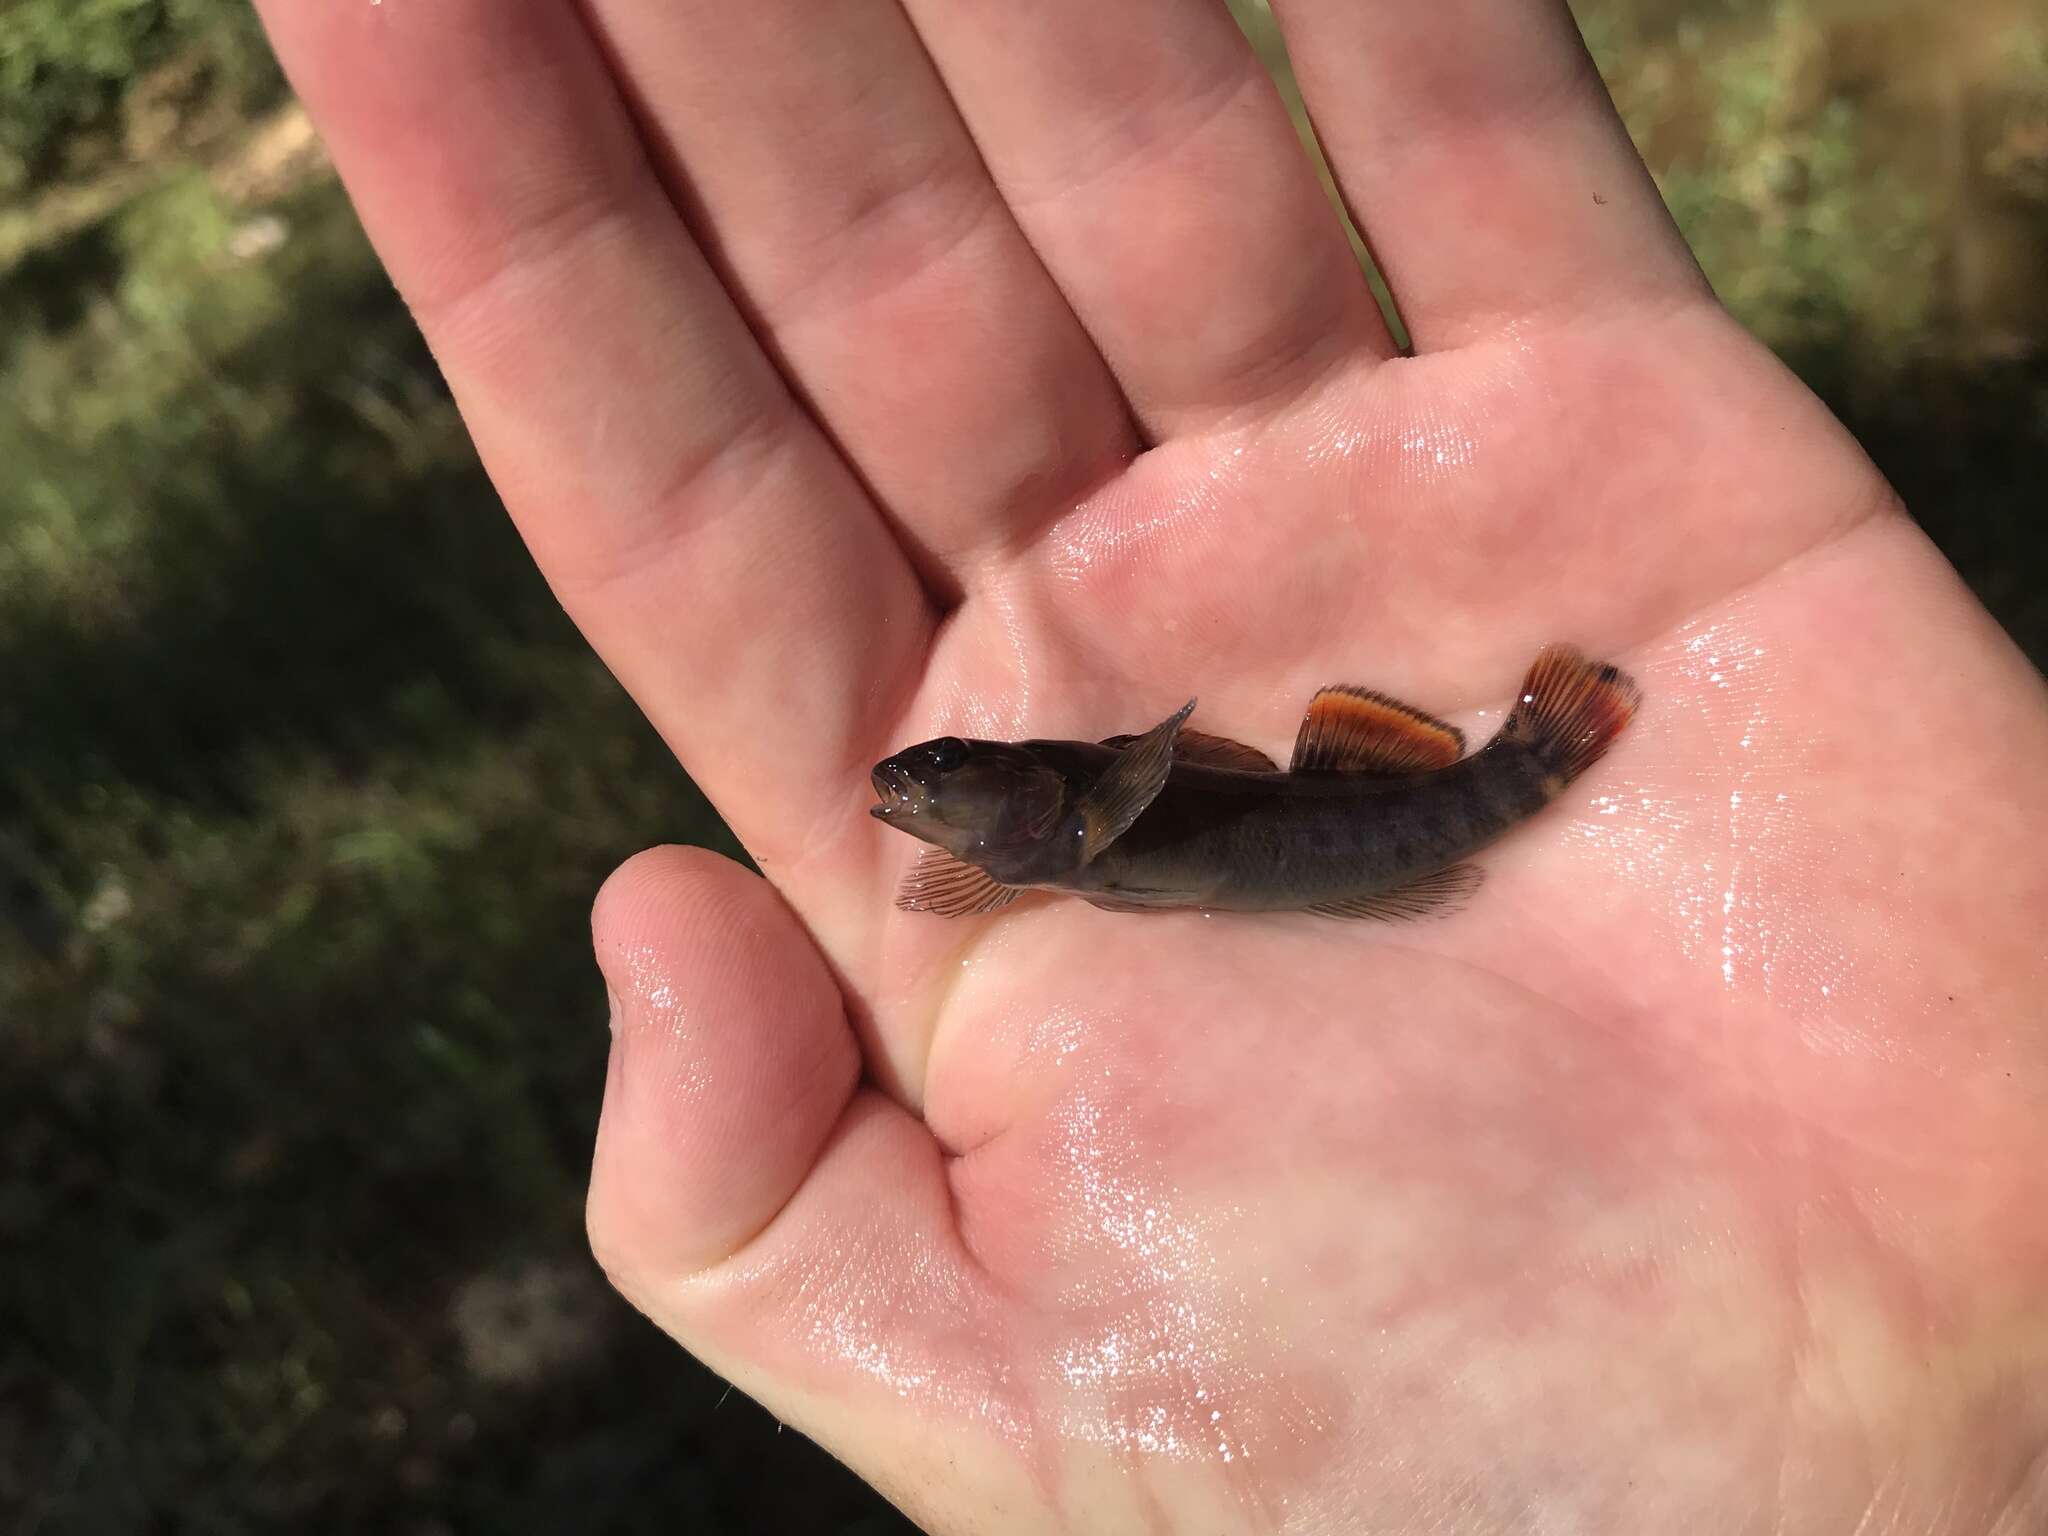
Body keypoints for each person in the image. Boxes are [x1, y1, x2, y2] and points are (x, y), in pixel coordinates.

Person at [252, 0, 2048, 1528]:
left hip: (1313, 824)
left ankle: (1548, 746)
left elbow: (1125, 779)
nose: (921, 788)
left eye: (945, 775)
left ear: (1035, 801)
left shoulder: (1087, 819)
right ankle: (1539, 749)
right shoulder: (1053, 847)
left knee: (1438, 796)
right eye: (935, 778)